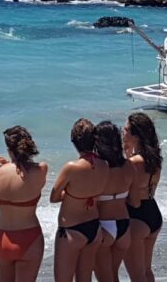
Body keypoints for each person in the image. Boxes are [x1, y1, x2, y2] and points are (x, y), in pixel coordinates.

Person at [0, 126, 48, 282]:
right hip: (31, 238)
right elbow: (22, 174)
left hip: (4, 239)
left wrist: (2, 168)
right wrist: (12, 163)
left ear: (9, 149)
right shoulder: (41, 170)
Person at [51, 119, 110, 282]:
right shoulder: (104, 165)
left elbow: (54, 197)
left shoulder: (71, 167)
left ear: (74, 142)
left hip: (71, 229)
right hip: (94, 228)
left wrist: (71, 194)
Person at [94, 121, 136, 282]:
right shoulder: (128, 166)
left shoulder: (98, 169)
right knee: (113, 275)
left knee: (105, 278)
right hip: (124, 225)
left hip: (104, 225)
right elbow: (133, 199)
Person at [123, 112, 163, 282]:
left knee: (137, 276)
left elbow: (133, 199)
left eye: (125, 130)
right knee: (147, 272)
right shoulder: (154, 159)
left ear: (136, 136)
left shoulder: (133, 163)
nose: (122, 133)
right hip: (153, 212)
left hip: (136, 217)